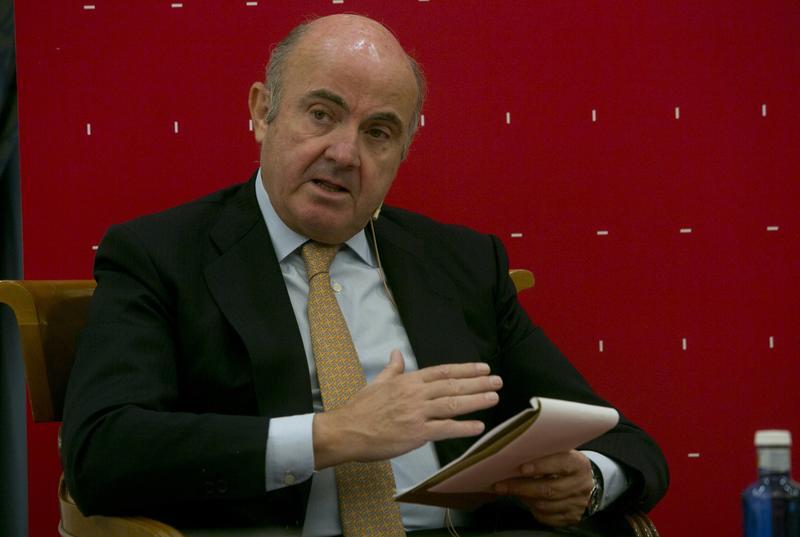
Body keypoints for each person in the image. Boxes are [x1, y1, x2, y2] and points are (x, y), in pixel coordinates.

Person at [62, 13, 668, 536]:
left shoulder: (461, 263)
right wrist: (333, 435)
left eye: (378, 132)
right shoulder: (160, 253)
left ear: (404, 151)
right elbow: (102, 453)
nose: (345, 153)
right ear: (262, 112)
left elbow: (622, 439)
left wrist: (589, 480)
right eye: (321, 114)